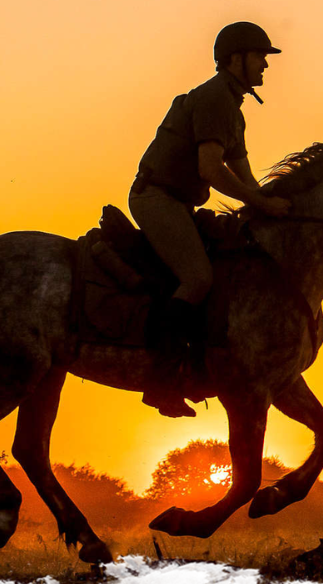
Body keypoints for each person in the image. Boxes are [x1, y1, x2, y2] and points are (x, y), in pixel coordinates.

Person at [130, 22, 291, 418]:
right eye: (260, 57)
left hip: (178, 203)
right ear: (236, 60)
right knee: (198, 278)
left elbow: (247, 178)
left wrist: (279, 204)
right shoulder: (216, 99)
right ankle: (161, 383)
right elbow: (210, 169)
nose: (265, 66)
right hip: (156, 198)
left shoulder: (233, 109)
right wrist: (261, 204)